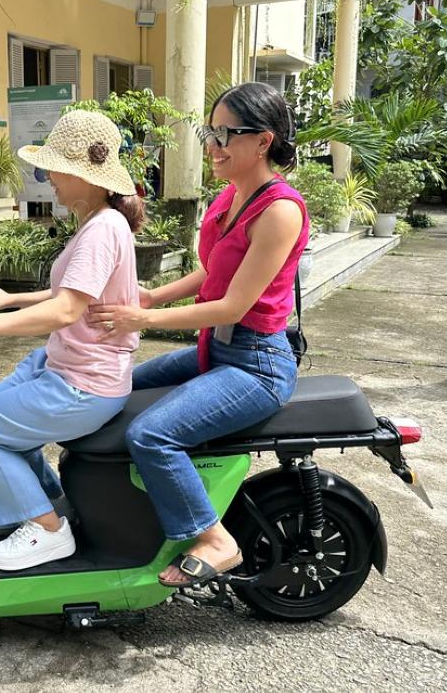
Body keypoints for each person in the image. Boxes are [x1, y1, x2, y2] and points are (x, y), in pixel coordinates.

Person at [87, 82, 309, 587]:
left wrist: (140, 321)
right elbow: (212, 272)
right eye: (212, 131)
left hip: (257, 365)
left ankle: (213, 537)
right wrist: (150, 297)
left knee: (153, 433)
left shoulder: (280, 210)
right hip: (220, 349)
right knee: (121, 387)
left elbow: (232, 304)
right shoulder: (229, 197)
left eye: (227, 133)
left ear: (263, 141)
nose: (213, 144)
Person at [0, 110, 143, 571]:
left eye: (54, 167)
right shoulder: (99, 222)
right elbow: (71, 293)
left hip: (83, 383)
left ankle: (49, 531)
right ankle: (57, 507)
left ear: (85, 176)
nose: (47, 175)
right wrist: (10, 299)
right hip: (70, 368)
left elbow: (66, 311)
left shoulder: (101, 230)